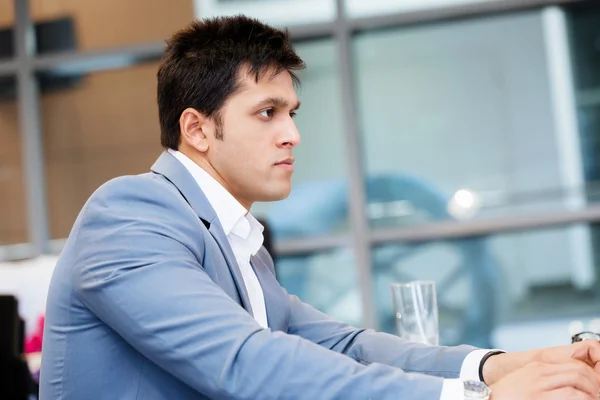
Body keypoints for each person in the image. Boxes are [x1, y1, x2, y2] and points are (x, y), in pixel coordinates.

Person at [40, 15, 600, 400]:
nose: (292, 135)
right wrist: (483, 396)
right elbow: (246, 363)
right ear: (197, 129)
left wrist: (503, 365)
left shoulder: (239, 240)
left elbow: (341, 344)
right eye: (267, 113)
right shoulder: (130, 214)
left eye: (293, 112)